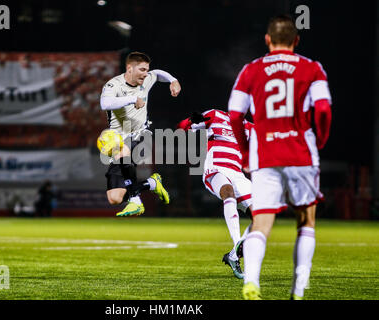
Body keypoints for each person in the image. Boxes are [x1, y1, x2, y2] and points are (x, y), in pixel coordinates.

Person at [228, 15, 332, 300]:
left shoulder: (251, 70)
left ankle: (251, 283)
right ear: (296, 41)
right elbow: (322, 108)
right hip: (301, 152)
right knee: (306, 221)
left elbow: (235, 114)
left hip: (265, 154)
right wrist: (320, 139)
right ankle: (297, 290)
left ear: (267, 39)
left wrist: (245, 151)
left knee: (261, 222)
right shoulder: (312, 68)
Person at [100, 51, 181, 216]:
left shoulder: (147, 79)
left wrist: (173, 80)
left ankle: (136, 201)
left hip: (141, 134)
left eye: (146, 70)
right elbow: (105, 103)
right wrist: (131, 99)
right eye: (142, 70)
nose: (146, 74)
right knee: (114, 198)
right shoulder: (113, 85)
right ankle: (151, 183)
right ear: (129, 68)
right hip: (119, 139)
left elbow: (158, 73)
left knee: (123, 152)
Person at [177, 109, 253, 279]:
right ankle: (237, 243)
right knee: (228, 192)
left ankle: (234, 255)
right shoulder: (216, 115)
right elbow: (181, 128)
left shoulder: (250, 128)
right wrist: (190, 120)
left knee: (261, 216)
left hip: (238, 174)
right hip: (216, 169)